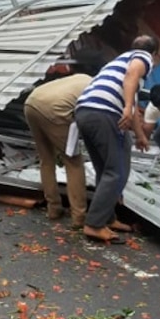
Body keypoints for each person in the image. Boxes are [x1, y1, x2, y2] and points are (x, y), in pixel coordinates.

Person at [73, 35, 159, 243]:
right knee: (117, 171)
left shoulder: (118, 63)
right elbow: (132, 78)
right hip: (104, 113)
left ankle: (107, 218)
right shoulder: (142, 58)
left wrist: (139, 136)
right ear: (154, 54)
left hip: (85, 112)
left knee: (106, 169)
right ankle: (94, 225)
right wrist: (127, 108)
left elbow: (131, 91)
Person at [23, 54, 100, 227]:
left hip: (31, 103)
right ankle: (79, 216)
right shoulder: (95, 85)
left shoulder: (75, 78)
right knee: (73, 162)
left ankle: (53, 208)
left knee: (46, 159)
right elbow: (89, 118)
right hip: (54, 108)